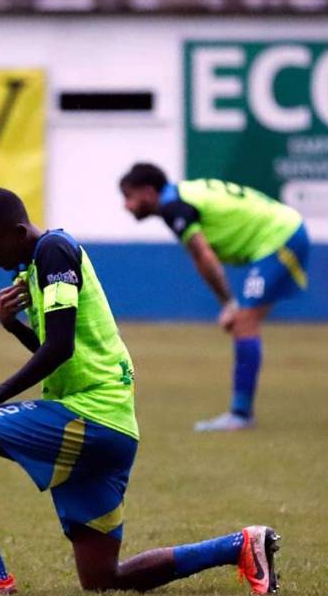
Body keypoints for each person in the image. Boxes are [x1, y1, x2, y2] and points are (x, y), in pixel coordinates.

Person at [0, 187, 280, 596]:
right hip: (111, 427)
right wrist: (15, 326)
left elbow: (60, 348)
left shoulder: (53, 251)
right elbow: (61, 351)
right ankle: (241, 546)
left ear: (17, 231)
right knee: (102, 580)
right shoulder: (37, 265)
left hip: (91, 416)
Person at [119, 163, 310, 432]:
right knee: (245, 323)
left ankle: (241, 415)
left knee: (244, 322)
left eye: (129, 196)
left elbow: (204, 256)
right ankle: (241, 413)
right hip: (284, 231)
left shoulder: (174, 206)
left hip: (280, 237)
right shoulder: (180, 196)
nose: (126, 205)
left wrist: (229, 305)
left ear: (149, 192)